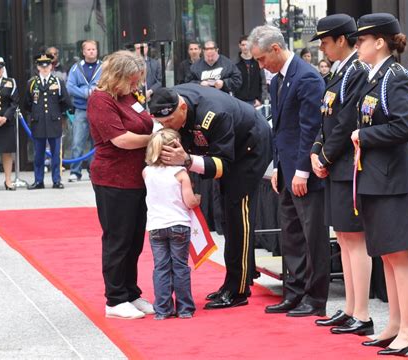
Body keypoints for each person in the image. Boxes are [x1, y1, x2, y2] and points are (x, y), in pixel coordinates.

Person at [149, 83, 272, 309]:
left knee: (239, 213)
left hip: (249, 147)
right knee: (226, 217)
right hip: (223, 149)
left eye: (169, 122)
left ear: (183, 108)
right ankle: (235, 278)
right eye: (161, 123)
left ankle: (238, 289)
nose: (166, 127)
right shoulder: (171, 101)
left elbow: (222, 165)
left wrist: (186, 160)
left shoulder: (215, 113)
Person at [350, 13, 408, 355]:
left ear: (379, 42)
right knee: (387, 256)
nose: (357, 47)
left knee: (400, 256)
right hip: (378, 177)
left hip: (394, 180)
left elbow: (401, 127)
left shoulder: (394, 76)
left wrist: (362, 135)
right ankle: (396, 324)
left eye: (361, 41)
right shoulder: (375, 76)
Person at [249, 25, 330, 317]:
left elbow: (311, 129)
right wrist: (278, 169)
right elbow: (280, 128)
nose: (260, 66)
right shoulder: (276, 80)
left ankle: (315, 298)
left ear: (274, 49)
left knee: (313, 236)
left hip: (303, 171)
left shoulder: (307, 76)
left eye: (260, 59)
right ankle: (293, 293)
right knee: (291, 235)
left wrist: (302, 171)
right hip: (285, 170)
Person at [309, 14, 373, 335]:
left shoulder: (356, 71)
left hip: (350, 165)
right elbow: (326, 120)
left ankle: (362, 313)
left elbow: (348, 119)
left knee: (354, 239)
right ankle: (350, 308)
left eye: (325, 41)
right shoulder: (340, 72)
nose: (322, 47)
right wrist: (316, 150)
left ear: (341, 40)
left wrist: (325, 154)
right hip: (337, 164)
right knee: (345, 239)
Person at [87, 50, 154, 319]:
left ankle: (131, 293)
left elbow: (143, 122)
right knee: (118, 239)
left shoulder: (127, 97)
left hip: (137, 178)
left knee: (135, 239)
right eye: (133, 81)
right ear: (118, 76)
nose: (137, 86)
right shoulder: (100, 100)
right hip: (113, 179)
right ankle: (114, 300)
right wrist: (154, 139)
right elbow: (121, 140)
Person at [143, 128, 199, 320]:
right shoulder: (180, 173)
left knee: (161, 267)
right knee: (180, 266)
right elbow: (189, 202)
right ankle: (184, 308)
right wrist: (197, 198)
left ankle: (163, 309)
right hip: (179, 224)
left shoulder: (146, 172)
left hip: (156, 226)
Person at [24, 54, 72, 190]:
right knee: (38, 154)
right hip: (38, 122)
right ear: (38, 67)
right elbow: (27, 104)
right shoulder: (32, 82)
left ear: (51, 66)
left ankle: (56, 180)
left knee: (56, 154)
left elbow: (66, 101)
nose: (44, 68)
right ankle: (38, 181)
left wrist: (56, 113)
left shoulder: (57, 82)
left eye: (47, 65)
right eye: (41, 66)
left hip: (53, 122)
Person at [67, 40, 102, 182]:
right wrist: (86, 93)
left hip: (99, 110)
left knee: (97, 143)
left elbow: (109, 83)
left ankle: (94, 171)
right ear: (83, 52)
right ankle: (75, 172)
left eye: (94, 49)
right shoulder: (76, 68)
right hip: (81, 110)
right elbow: (70, 86)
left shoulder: (104, 67)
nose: (91, 51)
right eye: (88, 49)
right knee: (77, 141)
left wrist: (97, 91)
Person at [0, 57, 18, 191]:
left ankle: (8, 181)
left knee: (7, 152)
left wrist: (5, 117)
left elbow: (14, 102)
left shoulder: (10, 82)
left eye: (0, 68)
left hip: (7, 123)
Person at [234, 35, 267, 107]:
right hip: (240, 102)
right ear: (239, 46)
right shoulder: (235, 64)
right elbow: (233, 83)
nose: (245, 47)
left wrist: (261, 100)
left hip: (255, 102)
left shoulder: (257, 62)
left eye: (247, 44)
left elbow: (263, 82)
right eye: (243, 45)